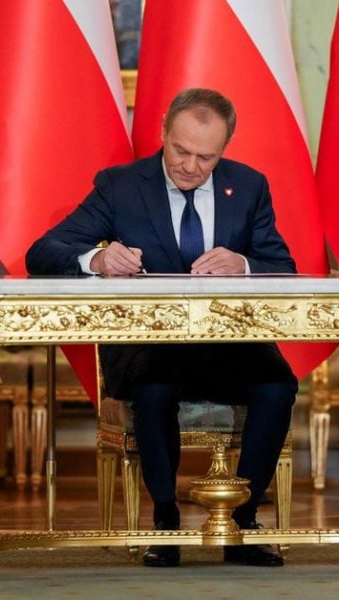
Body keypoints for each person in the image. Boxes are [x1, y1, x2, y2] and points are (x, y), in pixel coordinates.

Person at [26, 88, 298, 567]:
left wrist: (243, 263)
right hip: (149, 345)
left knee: (278, 384)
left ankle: (244, 521)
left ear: (224, 150)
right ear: (163, 133)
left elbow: (283, 266)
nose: (191, 166)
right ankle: (166, 521)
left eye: (206, 157)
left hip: (227, 343)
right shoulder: (121, 186)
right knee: (154, 390)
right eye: (181, 150)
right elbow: (42, 253)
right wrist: (97, 258)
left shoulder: (249, 185)